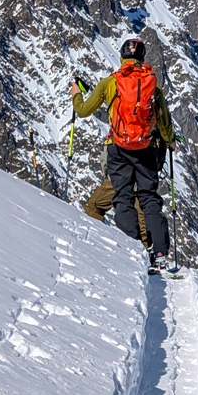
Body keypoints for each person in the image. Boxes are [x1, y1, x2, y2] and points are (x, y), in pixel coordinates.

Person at [71, 38, 175, 271]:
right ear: (143, 58)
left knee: (122, 197)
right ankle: (159, 254)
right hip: (145, 149)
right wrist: (169, 141)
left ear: (121, 56)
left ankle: (132, 250)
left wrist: (76, 93)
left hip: (117, 148)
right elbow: (164, 119)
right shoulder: (152, 85)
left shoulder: (110, 83)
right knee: (149, 200)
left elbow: (83, 110)